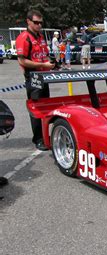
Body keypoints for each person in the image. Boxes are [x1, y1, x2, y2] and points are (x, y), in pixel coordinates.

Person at [16, 9, 55, 151]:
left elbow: (44, 55)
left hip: (45, 76)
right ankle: (38, 138)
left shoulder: (40, 37)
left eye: (40, 23)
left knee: (46, 107)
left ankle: (45, 136)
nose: (39, 25)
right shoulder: (24, 37)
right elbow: (22, 61)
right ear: (28, 21)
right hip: (33, 77)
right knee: (36, 109)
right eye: (36, 22)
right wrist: (42, 65)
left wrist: (51, 64)